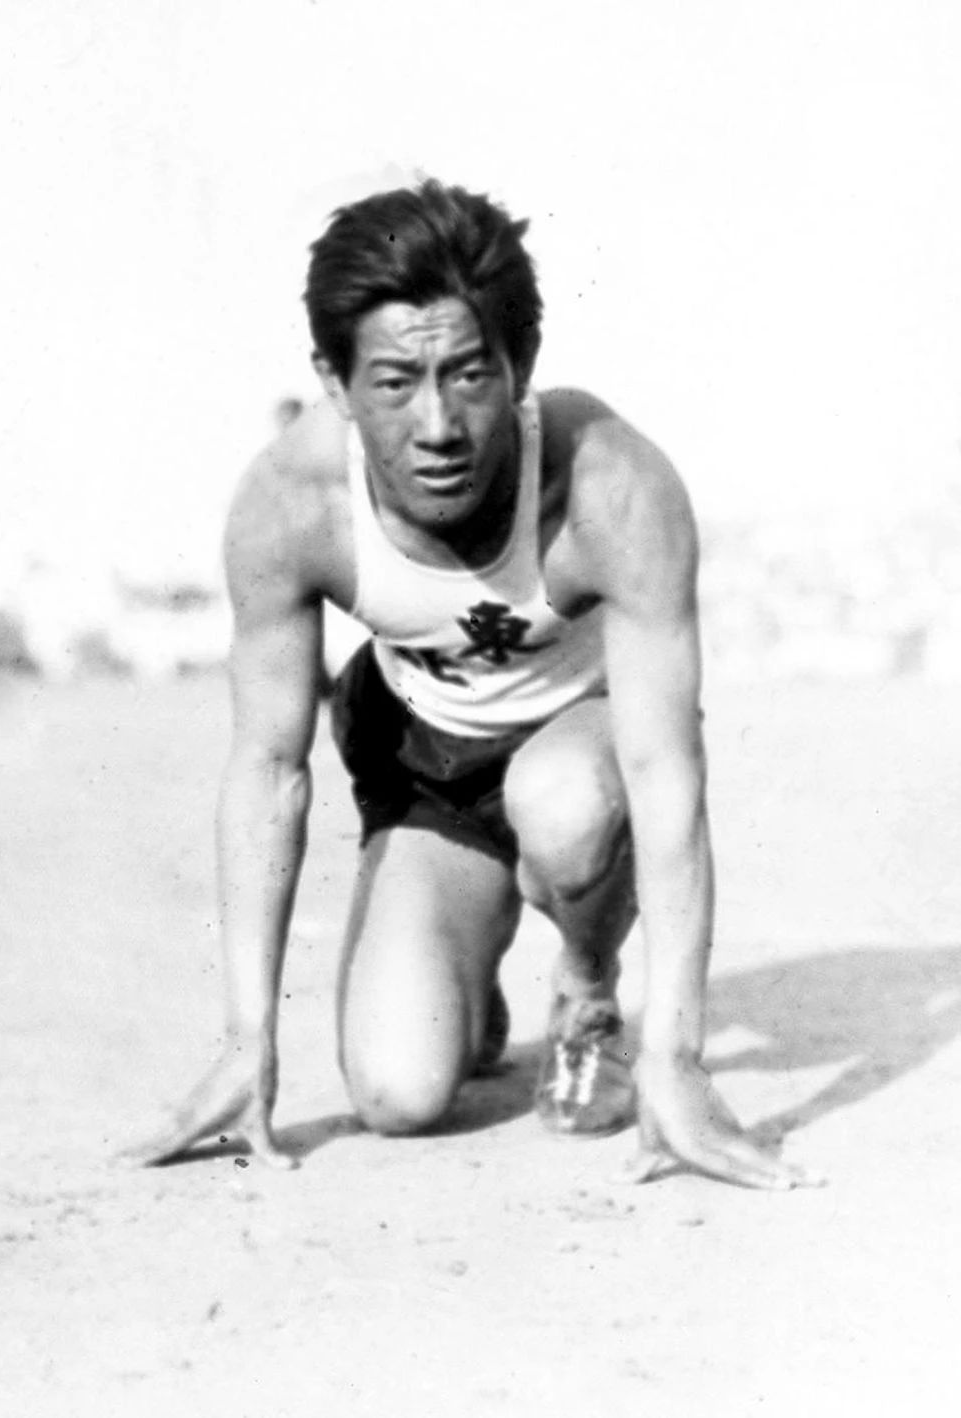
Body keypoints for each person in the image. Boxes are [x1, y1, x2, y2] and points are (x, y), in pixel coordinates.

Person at [125, 178, 817, 1189]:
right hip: (428, 764)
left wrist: (676, 1058)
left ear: (520, 365)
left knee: (564, 802)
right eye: (395, 382)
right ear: (333, 380)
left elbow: (666, 770)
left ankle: (585, 987)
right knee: (396, 1094)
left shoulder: (609, 482)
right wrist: (245, 1041)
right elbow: (268, 767)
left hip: (582, 753)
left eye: (467, 374)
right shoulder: (291, 501)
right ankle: (466, 952)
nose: (439, 424)